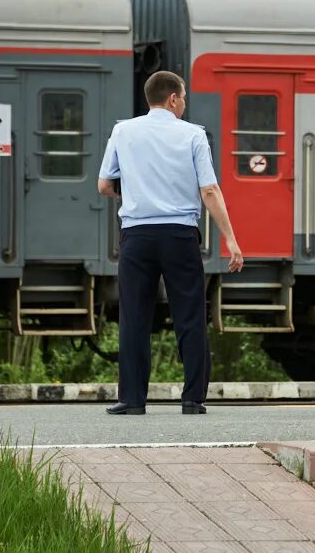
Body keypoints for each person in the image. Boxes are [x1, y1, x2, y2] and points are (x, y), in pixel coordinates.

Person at [97, 71, 242, 416]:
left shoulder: (123, 131)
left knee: (134, 317)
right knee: (189, 316)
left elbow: (104, 185)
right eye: (184, 97)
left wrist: (133, 192)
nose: (185, 103)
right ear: (174, 98)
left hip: (137, 237)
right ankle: (193, 398)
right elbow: (209, 190)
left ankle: (131, 399)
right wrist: (231, 239)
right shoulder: (193, 135)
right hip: (179, 236)